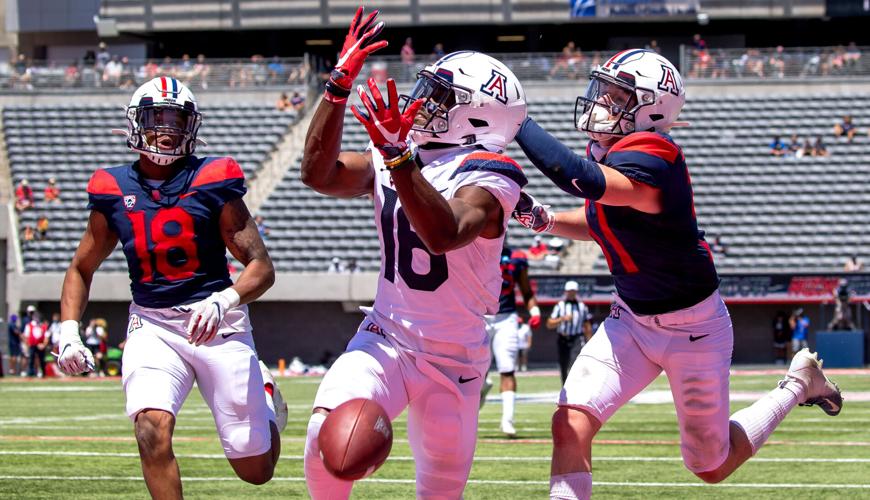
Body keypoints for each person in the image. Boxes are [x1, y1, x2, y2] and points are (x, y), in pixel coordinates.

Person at [510, 48, 842, 499]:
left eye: (615, 96)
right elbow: (605, 220)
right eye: (604, 91)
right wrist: (545, 219)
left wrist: (517, 121)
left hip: (694, 330)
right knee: (570, 422)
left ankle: (798, 384)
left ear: (650, 108)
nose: (602, 102)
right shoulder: (614, 152)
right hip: (631, 319)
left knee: (710, 465)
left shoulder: (655, 152)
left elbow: (584, 181)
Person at [299, 8, 528, 498]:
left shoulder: (491, 173)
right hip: (387, 337)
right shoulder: (401, 152)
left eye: (441, 96)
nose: (423, 101)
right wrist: (337, 86)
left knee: (439, 489)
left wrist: (398, 155)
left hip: (455, 357)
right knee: (325, 437)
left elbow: (445, 232)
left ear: (478, 114)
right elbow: (319, 175)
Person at [56, 76, 287, 496]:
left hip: (218, 323)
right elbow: (80, 268)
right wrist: (69, 332)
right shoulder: (112, 188)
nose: (166, 128)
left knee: (255, 470)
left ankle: (267, 396)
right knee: (150, 428)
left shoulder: (213, 179)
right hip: (153, 326)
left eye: (176, 119)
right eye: (156, 117)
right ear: (136, 122)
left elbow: (261, 267)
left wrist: (224, 300)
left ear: (191, 126)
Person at [483, 245, 542, 436]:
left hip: (506, 317)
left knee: (507, 369)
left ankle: (507, 420)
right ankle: (481, 390)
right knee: (474, 372)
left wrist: (534, 311)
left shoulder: (516, 257)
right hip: (478, 316)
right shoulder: (471, 249)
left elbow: (526, 290)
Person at [547, 280, 592, 384]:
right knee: (563, 364)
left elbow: (587, 324)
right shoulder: (559, 306)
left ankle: (575, 386)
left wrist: (589, 341)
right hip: (563, 338)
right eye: (569, 291)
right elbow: (549, 324)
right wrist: (562, 319)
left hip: (577, 338)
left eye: (573, 291)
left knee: (575, 362)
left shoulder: (582, 306)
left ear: (576, 292)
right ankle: (565, 387)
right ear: (565, 292)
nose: (571, 293)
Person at [24, 311, 49, 377]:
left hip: (41, 345)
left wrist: (43, 345)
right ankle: (30, 373)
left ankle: (43, 373)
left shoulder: (43, 326)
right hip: (32, 345)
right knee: (31, 359)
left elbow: (46, 337)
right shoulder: (29, 325)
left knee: (42, 360)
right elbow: (26, 336)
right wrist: (28, 345)